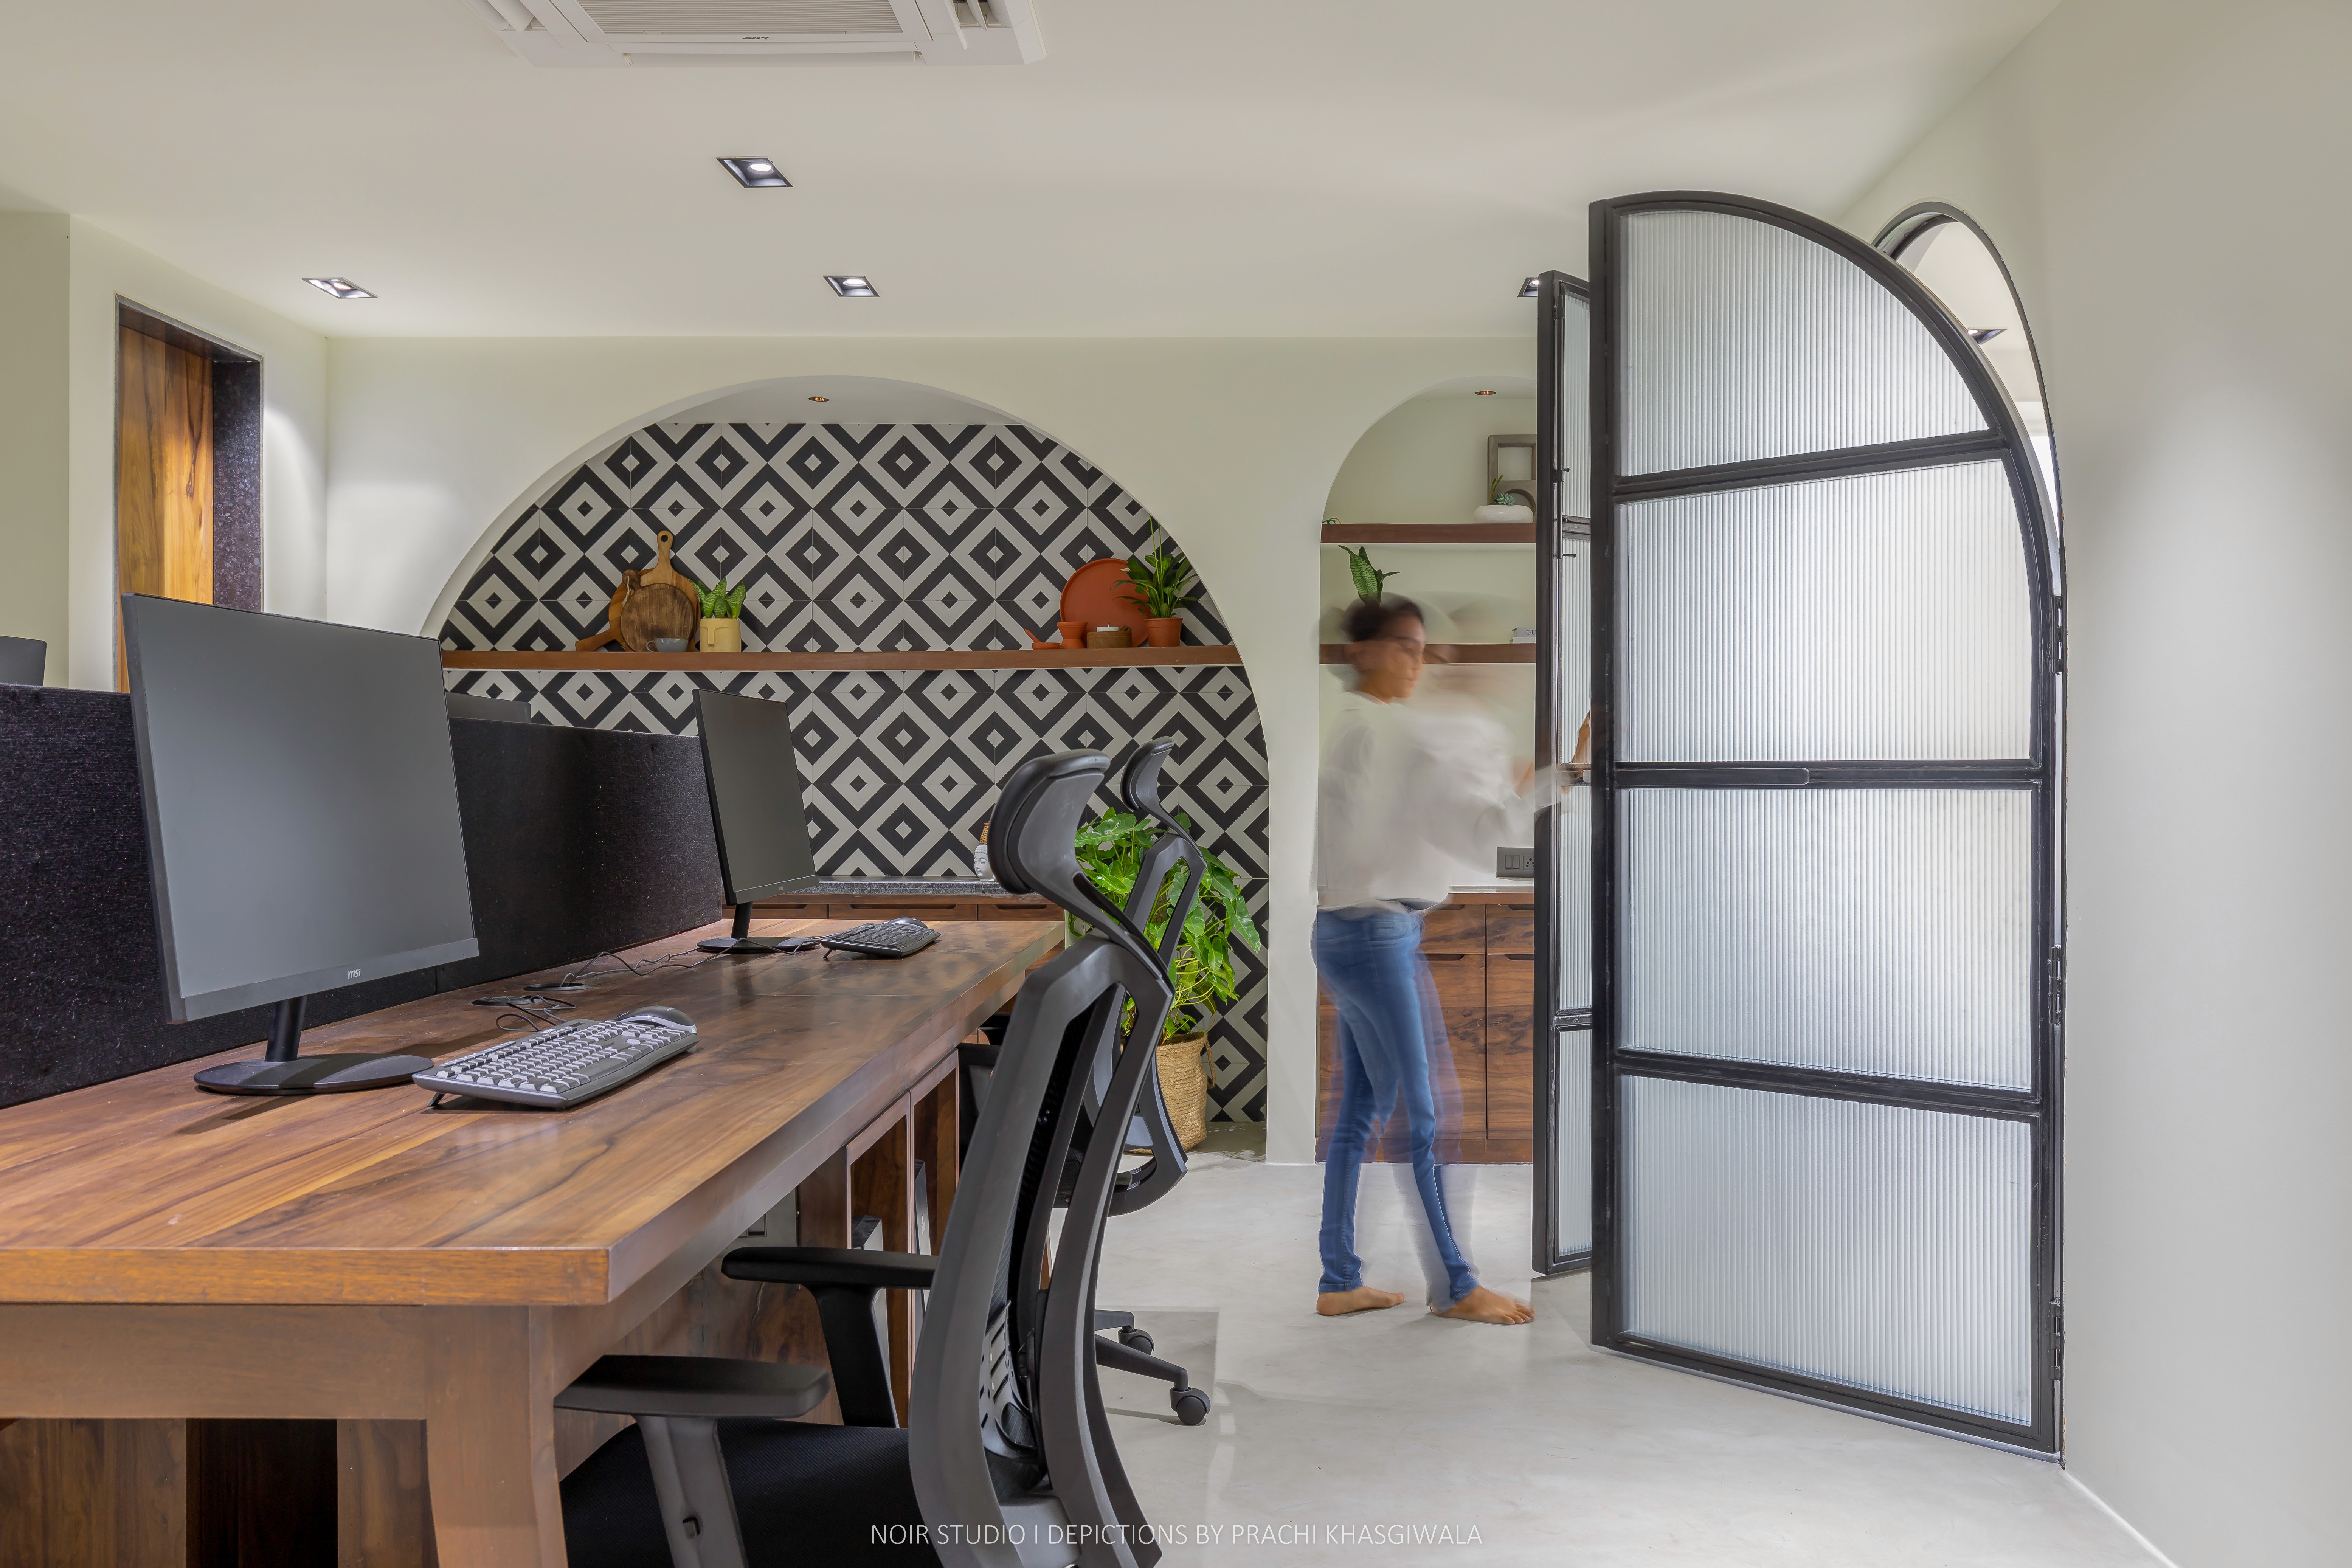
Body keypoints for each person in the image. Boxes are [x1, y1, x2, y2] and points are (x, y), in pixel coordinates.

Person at [1313, 596, 1550, 1326]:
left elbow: (1430, 823)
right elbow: (1480, 842)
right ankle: (1454, 1285)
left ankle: (1340, 1278)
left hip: (1349, 929)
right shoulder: (1385, 731)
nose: (1423, 662)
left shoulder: (1357, 725)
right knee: (1432, 1115)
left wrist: (1501, 773)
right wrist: (1547, 781)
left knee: (1360, 1112)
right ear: (1365, 651)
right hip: (1378, 936)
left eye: (1425, 649)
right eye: (1409, 648)